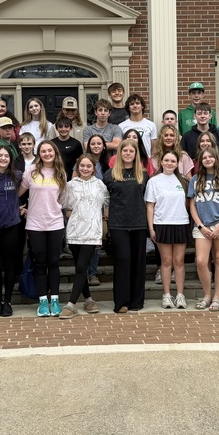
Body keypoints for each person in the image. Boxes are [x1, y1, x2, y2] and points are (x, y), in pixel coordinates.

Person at [188, 146, 219, 312]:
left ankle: (217, 297)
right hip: (202, 225)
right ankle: (207, 295)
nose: (208, 159)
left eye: (211, 157)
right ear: (201, 161)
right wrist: (200, 226)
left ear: (216, 159)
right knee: (202, 261)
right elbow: (192, 205)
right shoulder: (195, 179)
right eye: (204, 158)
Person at [102, 138, 149, 313]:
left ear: (136, 154)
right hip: (118, 224)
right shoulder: (110, 175)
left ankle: (137, 301)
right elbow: (104, 199)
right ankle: (121, 302)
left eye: (131, 151)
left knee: (138, 262)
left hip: (139, 223)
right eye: (125, 151)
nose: (128, 154)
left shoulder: (143, 175)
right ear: (120, 153)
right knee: (122, 260)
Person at [59, 153, 108, 318]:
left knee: (81, 267)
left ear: (94, 168)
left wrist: (105, 219)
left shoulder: (100, 185)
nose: (85, 169)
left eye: (89, 166)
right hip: (74, 231)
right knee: (80, 267)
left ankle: (71, 305)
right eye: (82, 166)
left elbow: (107, 202)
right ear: (77, 167)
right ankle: (88, 300)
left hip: (92, 231)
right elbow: (63, 203)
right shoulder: (70, 185)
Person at [22, 140, 68, 317]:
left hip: (55, 222)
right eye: (43, 151)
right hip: (35, 224)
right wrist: (20, 206)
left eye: (50, 150)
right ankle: (42, 301)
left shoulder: (61, 173)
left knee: (54, 262)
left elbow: (63, 198)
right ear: (39, 153)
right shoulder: (31, 171)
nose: (47, 154)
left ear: (55, 152)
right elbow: (20, 192)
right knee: (39, 262)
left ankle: (55, 300)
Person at [145, 150, 190, 310]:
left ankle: (179, 295)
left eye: (173, 161)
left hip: (181, 223)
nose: (170, 163)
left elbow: (189, 204)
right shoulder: (154, 181)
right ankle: (166, 295)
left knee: (179, 261)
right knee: (166, 261)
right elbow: (150, 206)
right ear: (161, 162)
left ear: (177, 163)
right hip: (161, 224)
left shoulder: (183, 181)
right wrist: (151, 228)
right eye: (167, 160)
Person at [0, 145, 25, 317]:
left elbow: (29, 192)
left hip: (11, 226)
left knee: (9, 265)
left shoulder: (17, 176)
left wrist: (24, 208)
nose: (2, 158)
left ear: (10, 159)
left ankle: (7, 302)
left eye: (6, 156)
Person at [84, 133, 110, 287]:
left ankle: (92, 274)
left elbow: (108, 191)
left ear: (103, 146)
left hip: (99, 210)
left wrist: (106, 211)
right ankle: (83, 272)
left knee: (96, 244)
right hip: (82, 210)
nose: (95, 146)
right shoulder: (82, 162)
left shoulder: (107, 165)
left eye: (99, 143)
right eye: (92, 143)